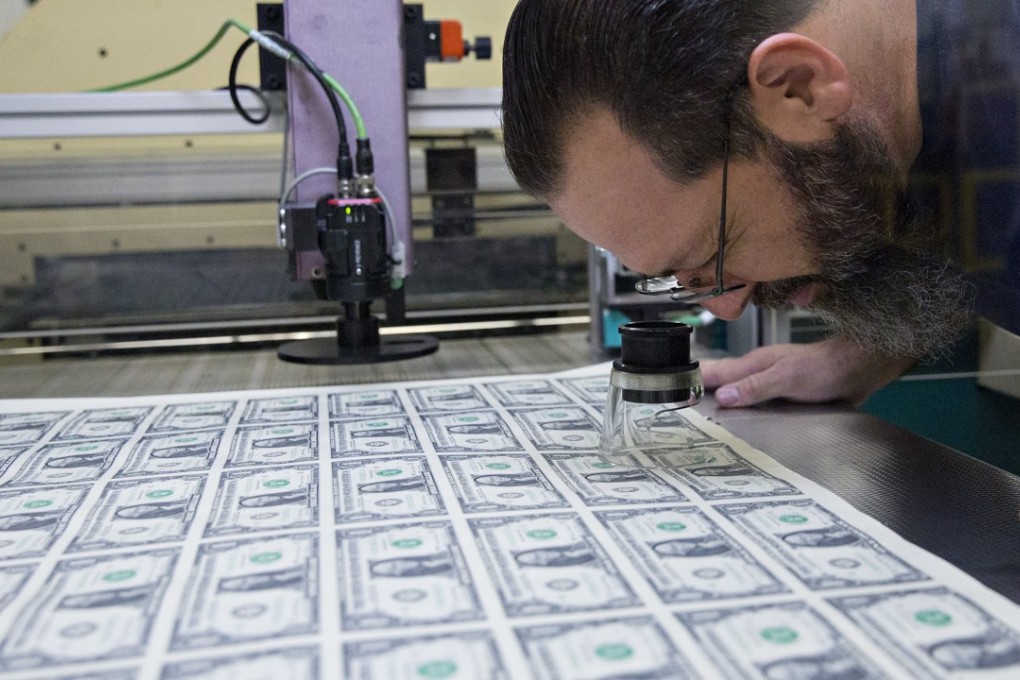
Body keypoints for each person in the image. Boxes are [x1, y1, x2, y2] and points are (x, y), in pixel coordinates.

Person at [501, 0, 1006, 407]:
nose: (725, 307)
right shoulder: (883, 133)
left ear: (798, 87)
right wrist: (868, 352)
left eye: (714, 255)